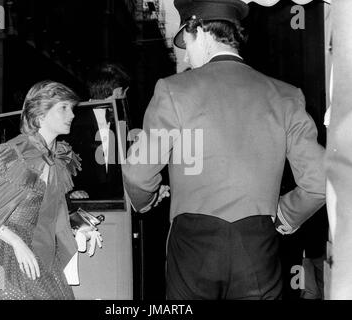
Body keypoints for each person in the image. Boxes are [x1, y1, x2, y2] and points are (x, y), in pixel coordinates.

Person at [122, 0, 326, 300]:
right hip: (258, 245)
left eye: (186, 42)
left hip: (193, 246)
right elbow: (320, 181)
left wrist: (146, 201)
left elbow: (139, 174)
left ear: (200, 31)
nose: (185, 53)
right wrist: (285, 215)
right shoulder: (286, 96)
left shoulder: (173, 90)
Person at [0, 80, 97, 299]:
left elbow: (50, 212)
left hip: (37, 248)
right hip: (0, 247)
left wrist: (81, 226)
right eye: (63, 108)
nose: (72, 115)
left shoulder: (56, 157)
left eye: (71, 108)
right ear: (40, 115)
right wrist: (16, 242)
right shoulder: (20, 153)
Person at [68, 63, 130, 200]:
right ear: (117, 91)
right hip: (82, 202)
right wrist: (71, 192)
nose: (125, 97)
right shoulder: (71, 121)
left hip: (118, 203)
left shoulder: (122, 121)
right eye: (124, 92)